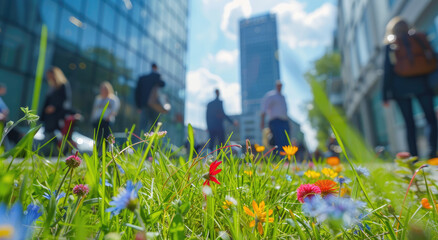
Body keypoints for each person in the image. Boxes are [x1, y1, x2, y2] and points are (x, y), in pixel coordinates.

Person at [383, 17, 437, 158]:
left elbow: (388, 71)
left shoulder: (391, 44)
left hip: (401, 89)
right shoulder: (418, 39)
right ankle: (433, 151)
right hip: (423, 84)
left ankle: (413, 157)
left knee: (409, 123)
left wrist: (385, 94)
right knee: (430, 118)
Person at [135, 63, 168, 132]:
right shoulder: (156, 76)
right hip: (155, 105)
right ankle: (153, 142)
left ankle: (141, 142)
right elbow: (163, 84)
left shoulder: (142, 78)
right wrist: (159, 75)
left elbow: (137, 93)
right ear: (155, 68)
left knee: (142, 126)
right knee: (155, 127)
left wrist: (138, 106)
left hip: (144, 105)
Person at [40, 66, 73, 137]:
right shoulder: (52, 87)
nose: (48, 77)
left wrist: (54, 107)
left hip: (57, 117)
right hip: (48, 118)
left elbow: (65, 100)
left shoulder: (63, 86)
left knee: (54, 137)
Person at [260, 80, 290, 153]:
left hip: (284, 122)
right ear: (276, 86)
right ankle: (277, 159)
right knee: (277, 141)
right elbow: (264, 108)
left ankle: (285, 160)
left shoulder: (283, 97)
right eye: (279, 85)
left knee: (285, 141)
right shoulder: (271, 95)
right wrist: (262, 121)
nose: (280, 87)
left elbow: (285, 111)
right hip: (275, 121)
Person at [91, 81, 120, 146]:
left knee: (106, 139)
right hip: (98, 121)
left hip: (107, 122)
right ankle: (97, 152)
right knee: (97, 138)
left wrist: (108, 117)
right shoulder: (98, 99)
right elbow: (94, 109)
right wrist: (93, 119)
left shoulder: (113, 99)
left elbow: (115, 110)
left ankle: (104, 153)